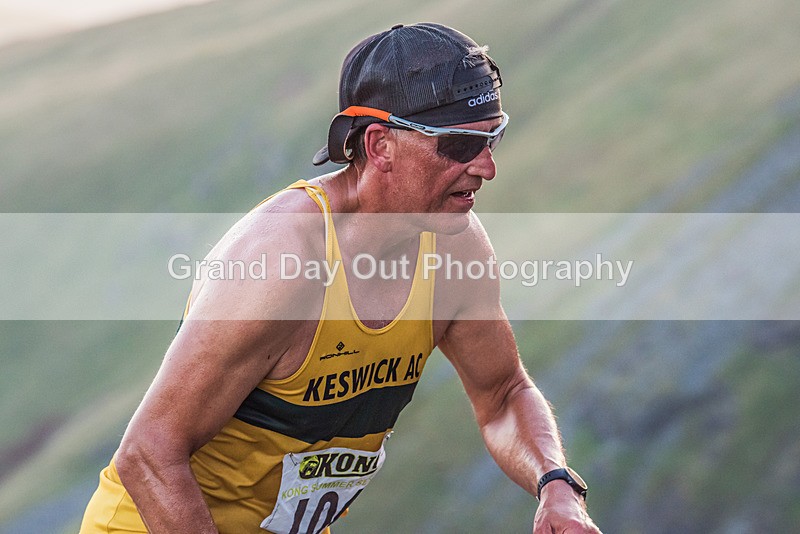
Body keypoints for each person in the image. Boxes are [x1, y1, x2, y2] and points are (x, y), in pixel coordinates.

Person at [80, 22, 601, 534]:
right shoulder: (281, 260)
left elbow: (504, 394)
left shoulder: (454, 250)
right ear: (380, 145)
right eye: (461, 145)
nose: (487, 167)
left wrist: (555, 484)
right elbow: (149, 453)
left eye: (493, 138)